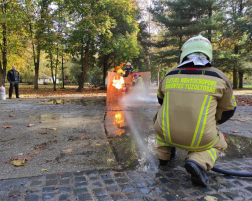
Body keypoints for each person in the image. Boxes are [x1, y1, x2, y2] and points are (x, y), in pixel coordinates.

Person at [153, 34, 237, 186]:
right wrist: (212, 120)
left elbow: (161, 100)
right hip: (200, 139)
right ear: (209, 55)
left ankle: (164, 157)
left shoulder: (169, 74)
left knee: (160, 121)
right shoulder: (219, 77)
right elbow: (227, 110)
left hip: (165, 133)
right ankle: (197, 161)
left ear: (183, 54)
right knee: (220, 142)